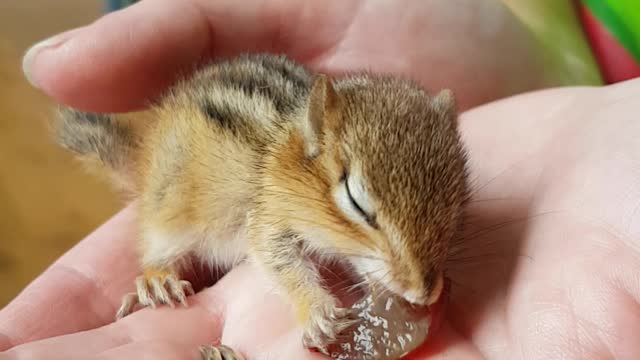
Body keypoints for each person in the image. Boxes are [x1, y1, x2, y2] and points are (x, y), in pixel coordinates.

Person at [3, 1, 639, 358]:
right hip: (206, 170)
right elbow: (273, 238)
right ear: (317, 151)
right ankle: (154, 262)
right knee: (177, 211)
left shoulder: (408, 158)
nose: (418, 278)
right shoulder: (294, 178)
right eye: (360, 205)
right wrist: (311, 302)